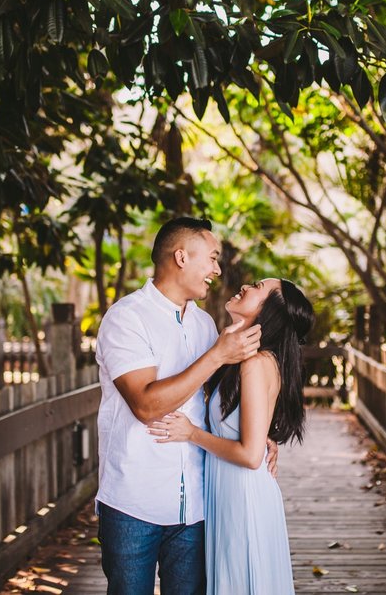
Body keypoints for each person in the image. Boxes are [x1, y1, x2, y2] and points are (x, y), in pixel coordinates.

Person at [94, 217, 276, 595]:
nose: (216, 269)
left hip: (196, 504)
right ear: (181, 257)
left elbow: (212, 402)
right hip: (133, 504)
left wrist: (259, 436)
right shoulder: (126, 318)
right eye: (211, 258)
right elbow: (145, 405)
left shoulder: (205, 324)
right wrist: (216, 356)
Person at [148, 277, 315, 595]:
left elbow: (251, 456)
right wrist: (264, 437)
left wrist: (192, 433)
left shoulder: (255, 363)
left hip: (243, 495)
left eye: (257, 287)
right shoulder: (240, 358)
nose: (246, 287)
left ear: (270, 311)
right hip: (228, 491)